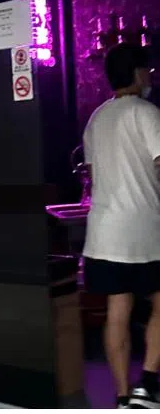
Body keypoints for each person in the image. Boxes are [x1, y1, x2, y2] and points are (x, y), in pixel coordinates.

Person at [82, 42, 160, 410]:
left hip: (104, 235)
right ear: (137, 73)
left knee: (118, 310)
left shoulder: (97, 119)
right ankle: (147, 382)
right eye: (147, 70)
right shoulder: (146, 113)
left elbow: (96, 176)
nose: (151, 77)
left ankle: (122, 395)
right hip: (144, 232)